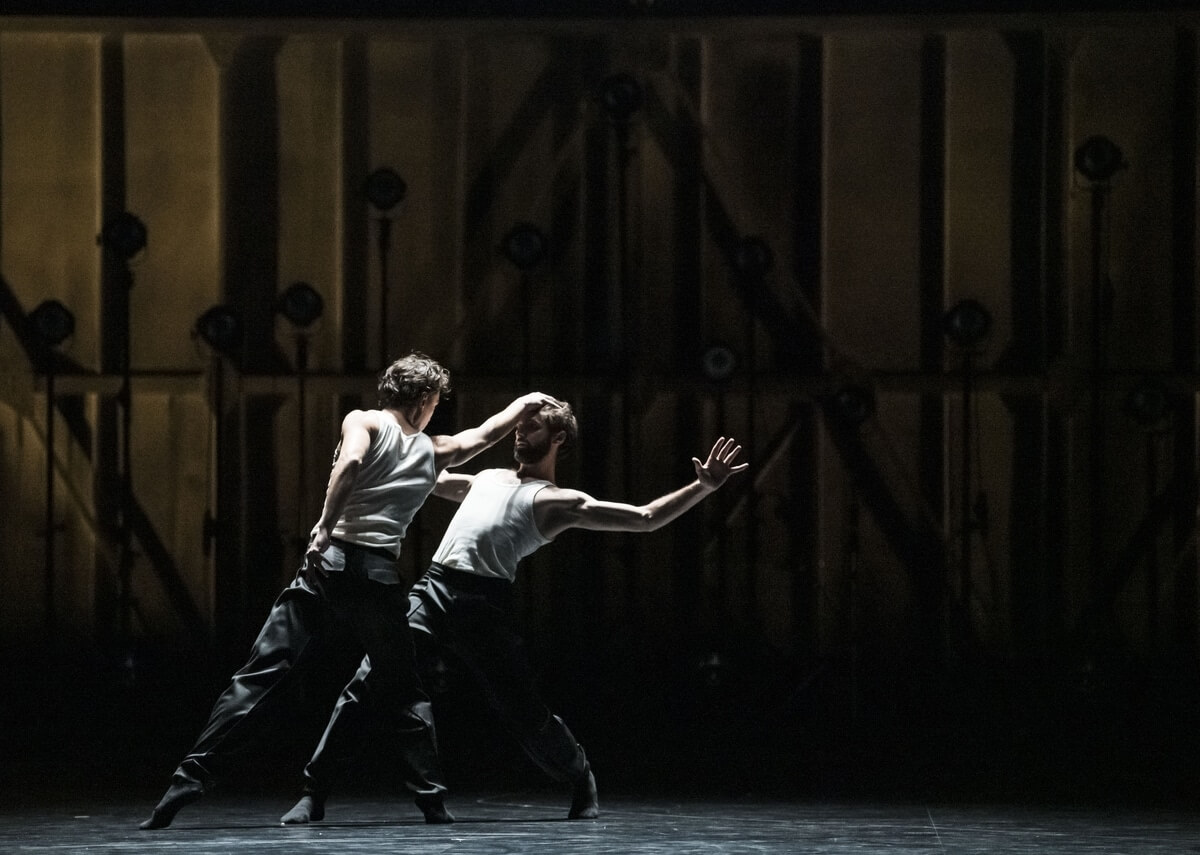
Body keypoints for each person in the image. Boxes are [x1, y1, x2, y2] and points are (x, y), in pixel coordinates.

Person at [280, 397, 748, 824]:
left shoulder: (559, 502)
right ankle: (313, 791)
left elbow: (645, 519)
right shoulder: (487, 478)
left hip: (484, 604)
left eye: (533, 428)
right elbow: (427, 478)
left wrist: (703, 487)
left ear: (558, 438)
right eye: (519, 427)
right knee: (369, 680)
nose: (520, 434)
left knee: (521, 709)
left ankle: (579, 774)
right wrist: (363, 459)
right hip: (435, 588)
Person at [139, 351, 553, 830]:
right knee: (403, 691)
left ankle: (184, 785)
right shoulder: (426, 448)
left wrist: (323, 530)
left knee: (261, 674)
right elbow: (479, 437)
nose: (434, 413)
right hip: (374, 579)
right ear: (421, 401)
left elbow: (352, 460)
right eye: (435, 404)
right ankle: (432, 802)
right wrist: (524, 403)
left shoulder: (364, 421)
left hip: (328, 567)